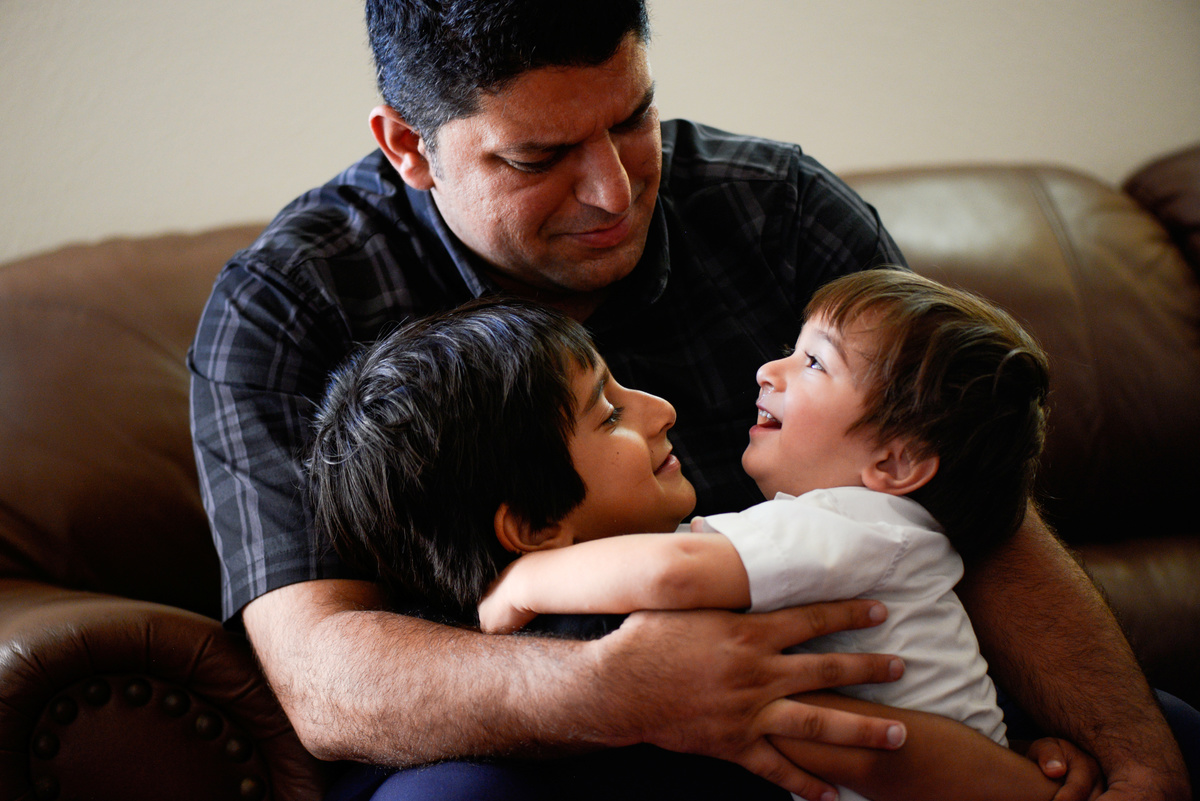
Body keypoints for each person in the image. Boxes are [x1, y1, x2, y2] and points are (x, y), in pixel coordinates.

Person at [187, 0, 1190, 798]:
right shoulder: (290, 302)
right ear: (409, 146)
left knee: (1169, 738)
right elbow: (322, 674)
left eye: (632, 120)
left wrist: (1137, 761)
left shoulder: (774, 206)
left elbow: (960, 495)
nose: (614, 191)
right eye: (539, 158)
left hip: (843, 684)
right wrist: (613, 689)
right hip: (525, 745)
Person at [307, 294, 1085, 801]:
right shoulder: (676, 606)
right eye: (609, 414)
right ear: (536, 531)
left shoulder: (810, 538)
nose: (662, 409)